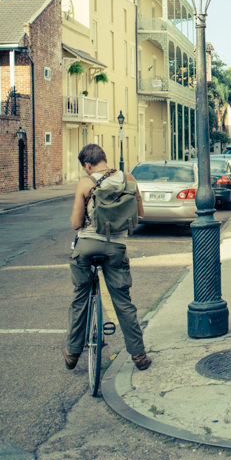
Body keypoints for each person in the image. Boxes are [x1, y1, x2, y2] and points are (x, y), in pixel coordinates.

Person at [64, 143, 151, 372]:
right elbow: (140, 214)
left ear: (87, 165)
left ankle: (72, 353)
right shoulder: (129, 179)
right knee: (123, 303)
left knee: (79, 298)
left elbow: (75, 223)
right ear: (105, 158)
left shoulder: (85, 183)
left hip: (87, 246)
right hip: (116, 248)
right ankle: (139, 356)